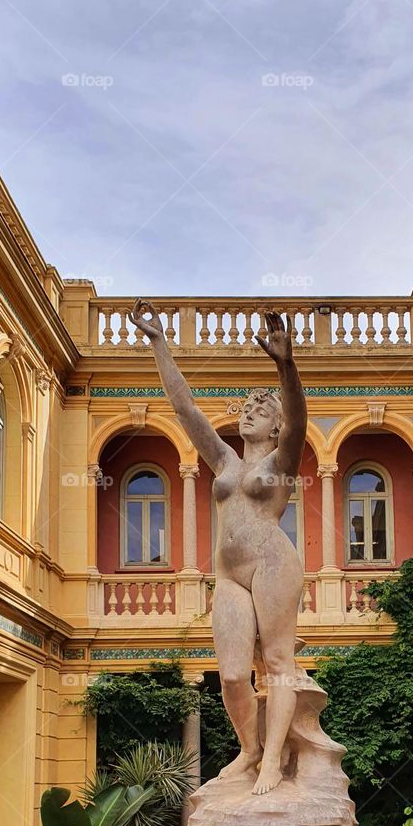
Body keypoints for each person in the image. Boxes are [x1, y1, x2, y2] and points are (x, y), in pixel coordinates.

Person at [128, 299, 308, 795]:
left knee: (276, 664)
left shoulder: (281, 460)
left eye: (262, 408)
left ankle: (273, 760)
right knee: (231, 675)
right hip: (228, 575)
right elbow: (184, 408)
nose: (251, 412)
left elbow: (298, 420)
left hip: (273, 565)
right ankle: (249, 749)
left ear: (273, 427)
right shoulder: (224, 460)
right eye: (248, 406)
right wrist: (159, 343)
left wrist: (285, 366)